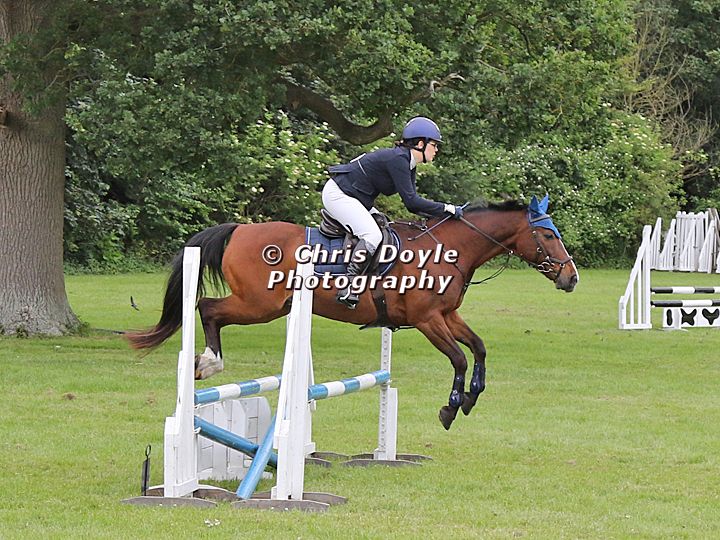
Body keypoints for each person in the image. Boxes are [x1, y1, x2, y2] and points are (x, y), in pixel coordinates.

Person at [321, 116, 464, 309]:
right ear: (420, 144)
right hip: (339, 194)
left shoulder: (408, 162)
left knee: (385, 226)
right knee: (372, 235)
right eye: (434, 145)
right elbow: (412, 202)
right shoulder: (399, 160)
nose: (436, 149)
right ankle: (348, 285)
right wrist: (446, 208)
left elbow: (412, 204)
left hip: (355, 197)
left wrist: (441, 214)